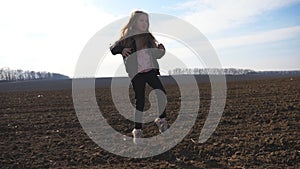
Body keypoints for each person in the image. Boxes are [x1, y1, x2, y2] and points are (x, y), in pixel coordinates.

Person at [110, 10, 168, 144]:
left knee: (162, 93)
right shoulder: (128, 38)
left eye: (146, 21)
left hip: (150, 72)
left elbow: (156, 55)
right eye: (141, 20)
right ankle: (138, 131)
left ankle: (161, 120)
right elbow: (113, 48)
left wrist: (161, 51)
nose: (144, 23)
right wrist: (121, 50)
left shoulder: (149, 37)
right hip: (137, 75)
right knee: (140, 102)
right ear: (134, 22)